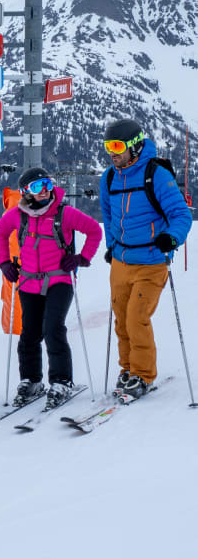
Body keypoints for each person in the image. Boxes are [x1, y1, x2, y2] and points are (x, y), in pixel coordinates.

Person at [0, 168, 102, 408]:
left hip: (59, 281)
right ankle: (31, 381)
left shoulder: (64, 213)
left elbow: (94, 230)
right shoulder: (17, 215)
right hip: (28, 282)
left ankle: (61, 381)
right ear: (25, 193)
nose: (44, 190)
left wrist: (81, 258)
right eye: (36, 187)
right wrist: (3, 262)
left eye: (46, 183)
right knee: (29, 333)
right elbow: (1, 233)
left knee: (53, 329)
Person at [100, 119, 192, 398]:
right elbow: (108, 216)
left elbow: (181, 215)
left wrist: (171, 238)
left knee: (136, 318)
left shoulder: (157, 175)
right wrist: (111, 245)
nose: (112, 153)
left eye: (117, 147)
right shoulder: (109, 177)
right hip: (121, 259)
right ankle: (127, 369)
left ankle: (142, 374)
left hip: (151, 260)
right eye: (108, 147)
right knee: (120, 319)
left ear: (136, 146)